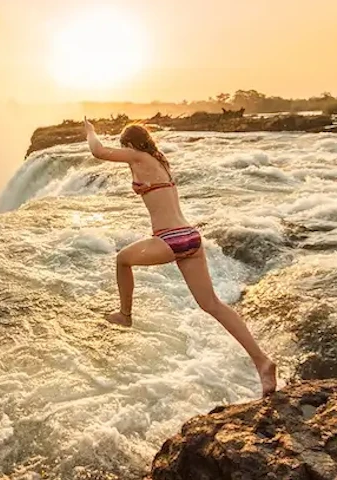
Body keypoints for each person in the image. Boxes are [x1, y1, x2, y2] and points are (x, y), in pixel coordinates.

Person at [83, 117, 277, 396]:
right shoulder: (159, 161)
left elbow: (98, 151)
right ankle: (262, 361)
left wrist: (90, 132)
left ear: (129, 144)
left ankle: (125, 315)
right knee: (212, 304)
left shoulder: (137, 156)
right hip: (191, 238)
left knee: (122, 260)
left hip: (169, 238)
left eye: (124, 146)